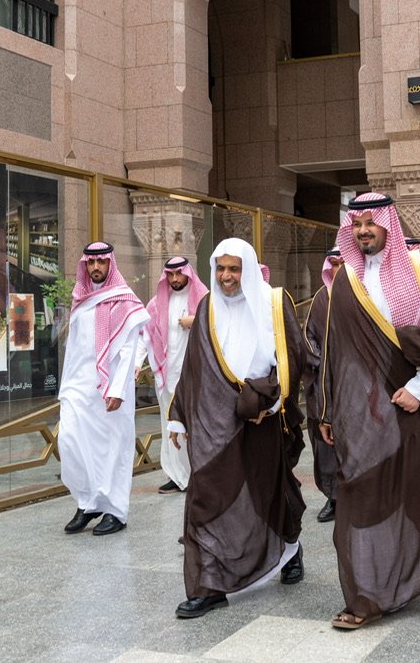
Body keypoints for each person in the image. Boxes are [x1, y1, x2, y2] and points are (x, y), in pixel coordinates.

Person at [316, 193, 420, 629]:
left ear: (388, 224)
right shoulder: (345, 278)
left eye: (371, 222)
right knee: (361, 496)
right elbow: (334, 351)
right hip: (361, 415)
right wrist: (328, 411)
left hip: (411, 408)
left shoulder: (419, 270)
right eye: (357, 224)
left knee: (412, 493)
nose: (364, 230)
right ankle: (366, 595)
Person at [167, 238, 307, 618]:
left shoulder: (273, 304)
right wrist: (179, 414)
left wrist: (274, 402)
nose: (227, 277)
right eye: (222, 269)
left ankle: (289, 548)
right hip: (212, 421)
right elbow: (193, 366)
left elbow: (293, 358)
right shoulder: (207, 306)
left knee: (268, 492)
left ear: (247, 268)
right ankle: (208, 584)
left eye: (235, 268)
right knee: (206, 495)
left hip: (261, 418)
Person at [58, 242, 149, 536]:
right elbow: (74, 347)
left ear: (111, 264)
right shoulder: (81, 298)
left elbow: (128, 350)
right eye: (91, 263)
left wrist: (119, 389)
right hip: (77, 385)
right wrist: (65, 386)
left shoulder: (124, 300)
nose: (95, 268)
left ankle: (115, 510)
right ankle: (88, 502)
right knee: (71, 443)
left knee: (112, 450)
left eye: (101, 262)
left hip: (110, 388)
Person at [142, 256, 207, 495]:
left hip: (195, 377)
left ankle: (196, 475)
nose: (175, 279)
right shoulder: (157, 303)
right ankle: (175, 475)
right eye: (170, 275)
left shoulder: (204, 299)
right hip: (168, 375)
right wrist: (139, 363)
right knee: (169, 424)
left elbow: (218, 325)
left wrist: (196, 320)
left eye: (179, 274)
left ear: (187, 274)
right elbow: (145, 333)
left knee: (193, 427)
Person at [303, 248, 343, 523]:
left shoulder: (365, 295)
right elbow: (308, 335)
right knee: (325, 443)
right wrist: (321, 361)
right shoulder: (321, 297)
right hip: (324, 384)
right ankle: (333, 496)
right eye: (335, 264)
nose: (338, 269)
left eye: (343, 264)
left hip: (354, 384)